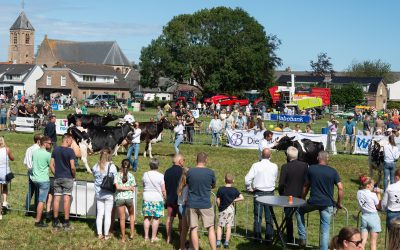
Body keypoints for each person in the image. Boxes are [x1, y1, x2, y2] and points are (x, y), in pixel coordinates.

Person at [296, 151, 344, 249]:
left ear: (318, 158)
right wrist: (339, 203)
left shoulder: (311, 169)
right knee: (325, 230)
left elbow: (306, 185)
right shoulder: (333, 171)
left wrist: (302, 198)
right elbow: (340, 188)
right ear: (328, 159)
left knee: (298, 211)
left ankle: (302, 237)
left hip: (313, 201)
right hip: (327, 203)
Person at [245, 148, 277, 242]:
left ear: (261, 155)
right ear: (270, 156)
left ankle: (257, 236)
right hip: (269, 193)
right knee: (269, 216)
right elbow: (275, 176)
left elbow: (247, 179)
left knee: (258, 215)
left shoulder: (256, 165)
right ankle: (269, 237)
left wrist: (249, 188)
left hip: (258, 193)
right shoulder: (274, 166)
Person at [186, 152, 217, 250]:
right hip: (205, 203)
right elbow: (213, 185)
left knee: (194, 228)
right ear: (206, 160)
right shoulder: (210, 172)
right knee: (210, 228)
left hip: (192, 203)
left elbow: (187, 183)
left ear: (196, 160)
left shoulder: (190, 172)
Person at [278, 146, 308, 243]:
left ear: (287, 156)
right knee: (300, 216)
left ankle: (289, 237)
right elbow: (306, 181)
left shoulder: (285, 167)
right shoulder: (305, 165)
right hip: (300, 195)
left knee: (288, 218)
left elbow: (281, 183)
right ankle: (302, 237)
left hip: (288, 196)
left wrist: (281, 194)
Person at [50, 134, 76, 231]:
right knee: (66, 199)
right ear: (67, 140)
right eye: (71, 140)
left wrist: (55, 173)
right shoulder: (70, 151)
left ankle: (56, 221)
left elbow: (51, 164)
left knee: (56, 199)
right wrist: (74, 175)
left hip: (58, 177)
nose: (72, 143)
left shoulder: (55, 149)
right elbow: (72, 166)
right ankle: (66, 222)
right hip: (68, 177)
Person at [92, 148, 117, 240]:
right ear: (109, 155)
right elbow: (115, 178)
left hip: (99, 193)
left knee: (100, 214)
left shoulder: (96, 166)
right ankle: (106, 235)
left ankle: (99, 234)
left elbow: (94, 175)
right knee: (108, 214)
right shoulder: (112, 166)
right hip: (109, 193)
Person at [216, 173, 244, 249]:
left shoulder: (220, 189)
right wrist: (234, 200)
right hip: (231, 209)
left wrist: (219, 207)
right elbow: (242, 197)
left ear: (224, 180)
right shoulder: (234, 190)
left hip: (222, 209)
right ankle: (226, 243)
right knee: (228, 227)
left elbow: (218, 200)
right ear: (233, 181)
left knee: (220, 225)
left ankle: (218, 242)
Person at [142, 158, 166, 243]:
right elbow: (163, 189)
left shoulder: (145, 174)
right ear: (157, 166)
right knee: (156, 218)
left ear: (150, 165)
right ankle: (153, 237)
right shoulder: (161, 176)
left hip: (147, 197)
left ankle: (146, 237)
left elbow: (143, 184)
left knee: (147, 217)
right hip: (157, 198)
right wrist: (165, 197)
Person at [31, 136, 52, 227]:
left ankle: (44, 214)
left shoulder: (35, 153)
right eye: (50, 143)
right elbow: (52, 166)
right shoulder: (48, 154)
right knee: (41, 201)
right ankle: (38, 221)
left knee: (40, 198)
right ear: (44, 143)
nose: (51, 145)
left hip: (35, 179)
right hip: (43, 180)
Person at [356, 175, 381, 250]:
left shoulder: (359, 192)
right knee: (373, 242)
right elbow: (379, 206)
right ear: (368, 185)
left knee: (362, 242)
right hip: (373, 217)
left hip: (364, 216)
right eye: (372, 185)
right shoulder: (372, 194)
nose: (373, 186)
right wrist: (379, 194)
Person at [164, 154, 184, 244]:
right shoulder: (183, 172)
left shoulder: (167, 171)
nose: (184, 162)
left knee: (169, 218)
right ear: (179, 161)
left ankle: (168, 238)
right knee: (181, 219)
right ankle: (181, 238)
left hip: (170, 198)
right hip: (180, 200)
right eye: (183, 160)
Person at [114, 159, 136, 242]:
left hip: (119, 198)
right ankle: (132, 234)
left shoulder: (117, 175)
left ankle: (123, 238)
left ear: (121, 165)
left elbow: (117, 187)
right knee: (131, 215)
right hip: (129, 198)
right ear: (129, 166)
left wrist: (123, 188)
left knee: (122, 219)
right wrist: (128, 188)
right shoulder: (131, 176)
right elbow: (133, 188)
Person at [24, 133, 43, 214]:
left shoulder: (29, 149)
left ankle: (27, 209)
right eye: (42, 139)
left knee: (30, 191)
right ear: (38, 141)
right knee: (37, 192)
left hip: (30, 172)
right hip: (37, 173)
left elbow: (25, 162)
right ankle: (36, 210)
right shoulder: (38, 150)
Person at [0, 137, 15, 214]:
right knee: (5, 187)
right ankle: (5, 201)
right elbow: (12, 158)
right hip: (4, 172)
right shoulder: (7, 149)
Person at [178, 167, 190, 250]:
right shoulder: (186, 187)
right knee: (186, 228)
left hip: (180, 206)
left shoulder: (181, 184)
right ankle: (183, 246)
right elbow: (185, 200)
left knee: (183, 228)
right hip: (184, 207)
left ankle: (183, 244)